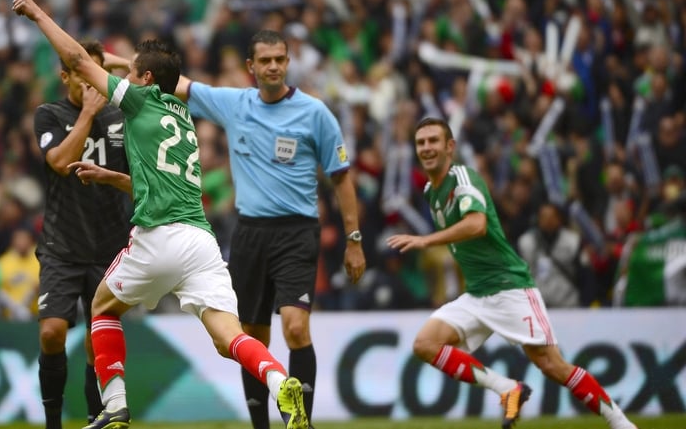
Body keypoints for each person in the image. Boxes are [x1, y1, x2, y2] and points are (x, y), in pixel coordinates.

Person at [8, 0, 309, 429]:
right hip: (200, 242)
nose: (124, 78)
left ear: (146, 80)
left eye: (131, 73)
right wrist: (112, 177)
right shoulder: (182, 118)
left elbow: (78, 60)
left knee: (102, 308)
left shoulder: (139, 101)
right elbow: (158, 180)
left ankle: (114, 405)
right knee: (228, 337)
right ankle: (279, 380)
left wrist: (37, 13)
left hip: (159, 237)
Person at [386, 117, 638, 429]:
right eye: (421, 142)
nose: (426, 148)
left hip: (509, 287)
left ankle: (620, 422)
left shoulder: (463, 178)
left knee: (552, 365)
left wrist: (426, 240)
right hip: (477, 293)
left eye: (433, 141)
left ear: (450, 147)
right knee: (425, 343)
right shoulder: (430, 191)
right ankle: (507, 388)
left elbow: (477, 224)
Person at [174, 29, 367, 429]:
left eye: (280, 59)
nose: (274, 66)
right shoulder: (234, 104)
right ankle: (260, 424)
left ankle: (302, 424)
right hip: (250, 233)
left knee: (295, 327)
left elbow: (341, 178)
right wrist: (127, 67)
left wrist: (354, 239)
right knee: (252, 335)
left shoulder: (315, 113)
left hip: (297, 232)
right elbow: (179, 84)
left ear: (288, 62)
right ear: (251, 66)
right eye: (266, 60)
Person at [33, 38, 131, 428]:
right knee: (52, 333)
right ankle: (53, 422)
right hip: (61, 244)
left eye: (97, 72)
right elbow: (59, 162)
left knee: (97, 340)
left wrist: (114, 65)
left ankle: (96, 417)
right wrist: (89, 113)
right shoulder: (49, 114)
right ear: (65, 76)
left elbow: (145, 71)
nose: (90, 81)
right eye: (81, 72)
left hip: (108, 246)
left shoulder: (121, 117)